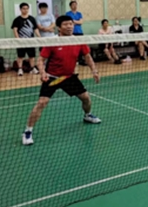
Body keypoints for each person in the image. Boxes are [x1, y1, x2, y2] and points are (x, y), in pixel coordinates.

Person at [21, 16, 101, 146]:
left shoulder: (78, 40)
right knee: (42, 102)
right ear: (59, 27)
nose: (69, 26)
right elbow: (40, 60)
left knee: (86, 98)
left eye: (71, 24)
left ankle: (88, 115)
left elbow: (87, 56)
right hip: (51, 77)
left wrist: (94, 71)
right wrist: (42, 72)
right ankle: (28, 131)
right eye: (65, 24)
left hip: (68, 77)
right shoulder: (53, 42)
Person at [12, 2, 40, 76]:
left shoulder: (32, 19)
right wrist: (18, 39)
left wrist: (39, 37)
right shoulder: (17, 20)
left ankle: (32, 68)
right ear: (20, 9)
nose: (25, 10)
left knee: (32, 56)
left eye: (27, 8)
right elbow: (15, 30)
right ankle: (20, 69)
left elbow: (35, 29)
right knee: (20, 56)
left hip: (31, 41)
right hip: (21, 41)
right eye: (24, 9)